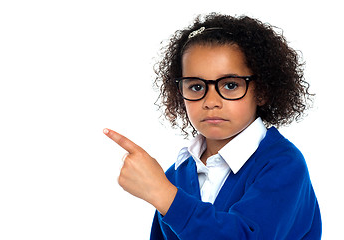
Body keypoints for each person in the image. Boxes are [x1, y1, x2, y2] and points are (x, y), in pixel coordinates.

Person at [104, 13, 322, 239]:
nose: (211, 102)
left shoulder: (282, 164)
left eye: (230, 85)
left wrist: (163, 194)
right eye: (196, 87)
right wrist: (163, 191)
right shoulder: (175, 175)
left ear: (263, 91)